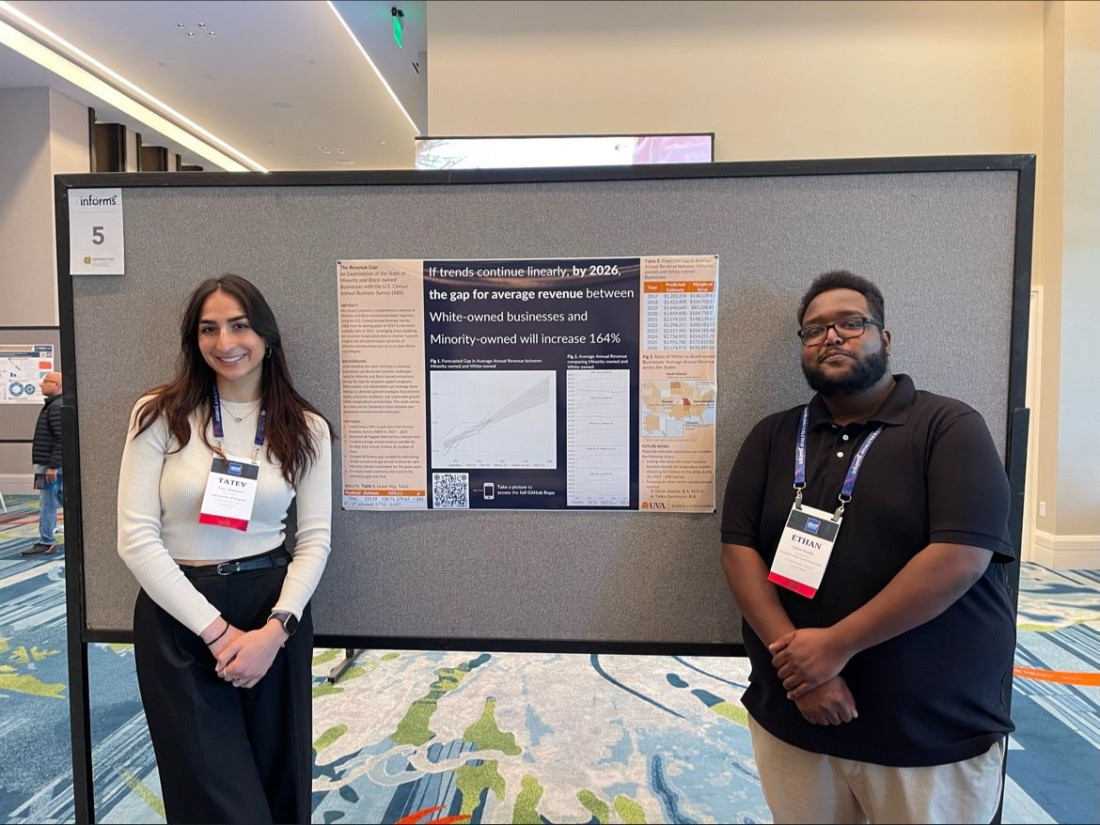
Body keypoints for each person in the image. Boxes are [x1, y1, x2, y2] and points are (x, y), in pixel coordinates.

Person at [720, 270, 1015, 824]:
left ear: (885, 338)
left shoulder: (948, 426)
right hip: (793, 715)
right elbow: (738, 551)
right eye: (814, 329)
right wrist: (803, 669)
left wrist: (834, 647)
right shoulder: (772, 436)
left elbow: (960, 557)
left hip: (928, 731)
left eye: (850, 323)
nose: (831, 336)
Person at [117, 274, 333, 824]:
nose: (224, 341)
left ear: (265, 333)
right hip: (180, 618)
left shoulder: (304, 427)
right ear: (194, 340)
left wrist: (274, 631)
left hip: (272, 612)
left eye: (239, 325)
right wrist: (215, 630)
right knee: (216, 802)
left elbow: (314, 540)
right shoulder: (158, 414)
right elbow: (136, 540)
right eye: (208, 329)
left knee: (281, 791)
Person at [23, 371, 64, 556]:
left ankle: (46, 541)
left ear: (57, 385)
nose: (41, 384)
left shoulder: (55, 407)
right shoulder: (53, 405)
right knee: (59, 500)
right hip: (48, 465)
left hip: (49, 466)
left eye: (46, 381)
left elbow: (61, 438)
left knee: (47, 503)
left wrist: (53, 465)